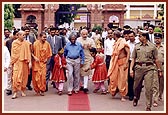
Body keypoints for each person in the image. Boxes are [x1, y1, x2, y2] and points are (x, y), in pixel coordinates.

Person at [129, 30, 162, 111]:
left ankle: (148, 105)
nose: (138, 37)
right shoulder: (137, 46)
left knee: (148, 87)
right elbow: (133, 58)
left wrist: (159, 69)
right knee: (136, 86)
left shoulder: (152, 47)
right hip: (138, 68)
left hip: (149, 68)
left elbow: (156, 59)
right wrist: (131, 69)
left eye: (140, 36)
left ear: (144, 37)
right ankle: (136, 97)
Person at [107, 30, 130, 101]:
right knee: (113, 77)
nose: (111, 36)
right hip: (115, 63)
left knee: (122, 79)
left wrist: (126, 62)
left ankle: (123, 95)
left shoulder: (123, 42)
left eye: (113, 35)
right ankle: (113, 91)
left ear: (115, 35)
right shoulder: (115, 42)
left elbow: (128, 52)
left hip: (123, 62)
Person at [10, 30, 31, 99]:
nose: (24, 36)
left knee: (24, 77)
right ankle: (15, 92)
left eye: (24, 35)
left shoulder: (26, 43)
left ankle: (23, 90)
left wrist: (30, 62)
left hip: (24, 62)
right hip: (17, 62)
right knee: (16, 77)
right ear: (18, 36)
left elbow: (29, 53)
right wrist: (12, 62)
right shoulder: (14, 43)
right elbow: (13, 53)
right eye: (23, 35)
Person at [32, 32, 52, 96]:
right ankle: (37, 90)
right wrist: (34, 57)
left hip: (43, 63)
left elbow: (49, 54)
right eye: (43, 37)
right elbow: (31, 52)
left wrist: (47, 58)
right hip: (36, 63)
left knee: (43, 77)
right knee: (36, 78)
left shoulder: (47, 44)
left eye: (45, 37)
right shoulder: (35, 44)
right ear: (40, 37)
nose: (45, 38)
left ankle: (42, 90)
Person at [77, 29, 96, 93]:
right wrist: (81, 47)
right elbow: (75, 48)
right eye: (83, 34)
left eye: (86, 34)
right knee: (80, 73)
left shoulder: (91, 40)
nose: (85, 35)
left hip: (88, 58)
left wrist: (90, 48)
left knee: (86, 72)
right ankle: (81, 85)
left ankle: (85, 87)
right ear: (81, 34)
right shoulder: (78, 40)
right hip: (79, 58)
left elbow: (94, 49)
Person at [127, 31, 140, 101]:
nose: (130, 38)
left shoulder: (138, 43)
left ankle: (136, 93)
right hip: (129, 61)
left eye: (132, 36)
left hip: (137, 61)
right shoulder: (127, 43)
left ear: (134, 36)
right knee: (130, 78)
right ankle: (130, 94)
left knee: (137, 78)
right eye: (129, 36)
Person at [5, 30, 19, 96]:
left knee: (16, 75)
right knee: (9, 75)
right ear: (14, 35)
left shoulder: (20, 42)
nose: (18, 36)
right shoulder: (8, 42)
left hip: (18, 61)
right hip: (10, 60)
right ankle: (9, 89)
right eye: (17, 35)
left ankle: (16, 88)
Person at [152, 33, 164, 106]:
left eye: (158, 38)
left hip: (163, 66)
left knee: (161, 83)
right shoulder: (152, 47)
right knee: (155, 83)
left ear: (161, 39)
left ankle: (160, 95)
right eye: (156, 38)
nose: (157, 39)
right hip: (154, 66)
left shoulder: (164, 47)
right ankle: (155, 100)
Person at [23, 26, 36, 91]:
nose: (27, 32)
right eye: (26, 31)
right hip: (23, 56)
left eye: (28, 31)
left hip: (30, 56)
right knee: (23, 71)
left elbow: (34, 46)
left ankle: (28, 84)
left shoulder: (32, 37)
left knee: (30, 71)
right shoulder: (21, 38)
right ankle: (23, 84)